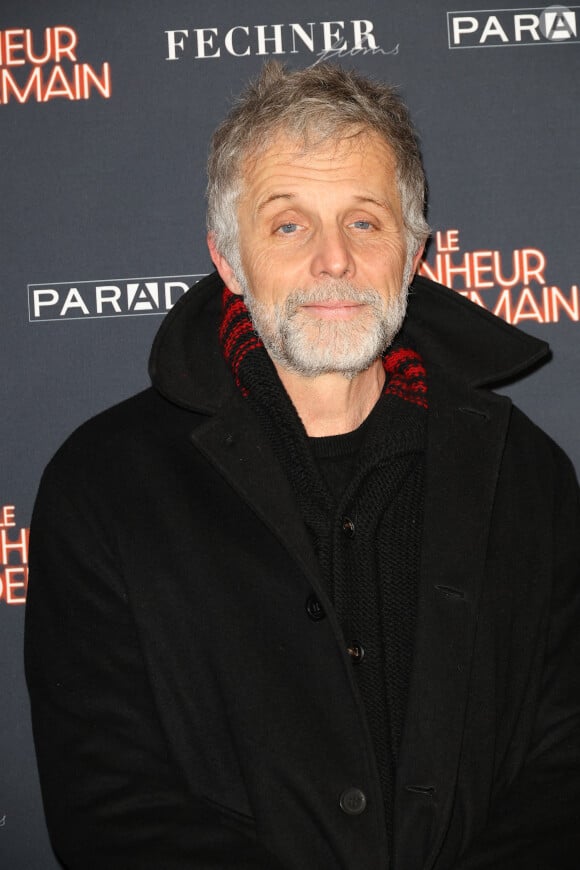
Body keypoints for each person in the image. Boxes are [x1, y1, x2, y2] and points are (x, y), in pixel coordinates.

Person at [25, 61, 580, 870]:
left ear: (414, 249)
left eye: (365, 222)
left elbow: (565, 764)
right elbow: (112, 804)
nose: (333, 261)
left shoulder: (525, 475)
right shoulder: (105, 487)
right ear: (228, 258)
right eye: (288, 225)